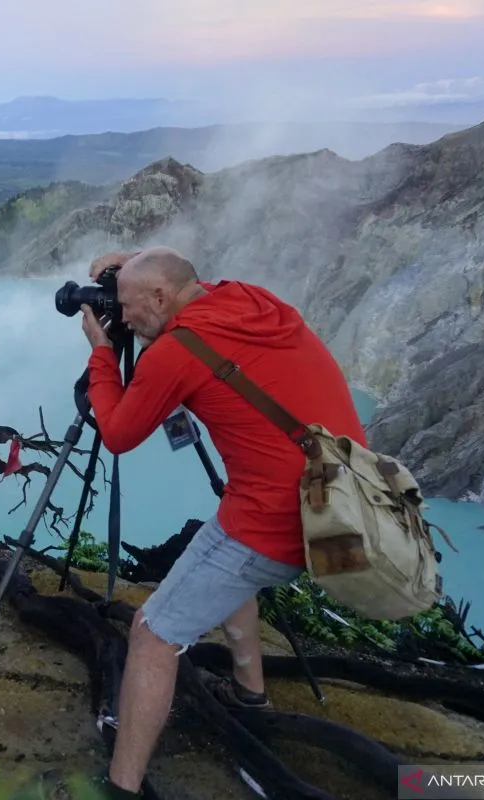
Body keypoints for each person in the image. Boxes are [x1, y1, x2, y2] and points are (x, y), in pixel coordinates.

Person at [79, 246, 366, 798]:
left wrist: (100, 353)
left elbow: (115, 434)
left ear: (161, 297)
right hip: (331, 507)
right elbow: (177, 275)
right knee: (226, 554)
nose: (126, 319)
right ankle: (250, 693)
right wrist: (131, 264)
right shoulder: (247, 298)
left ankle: (122, 785)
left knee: (153, 634)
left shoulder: (175, 354)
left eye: (129, 306)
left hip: (271, 524)